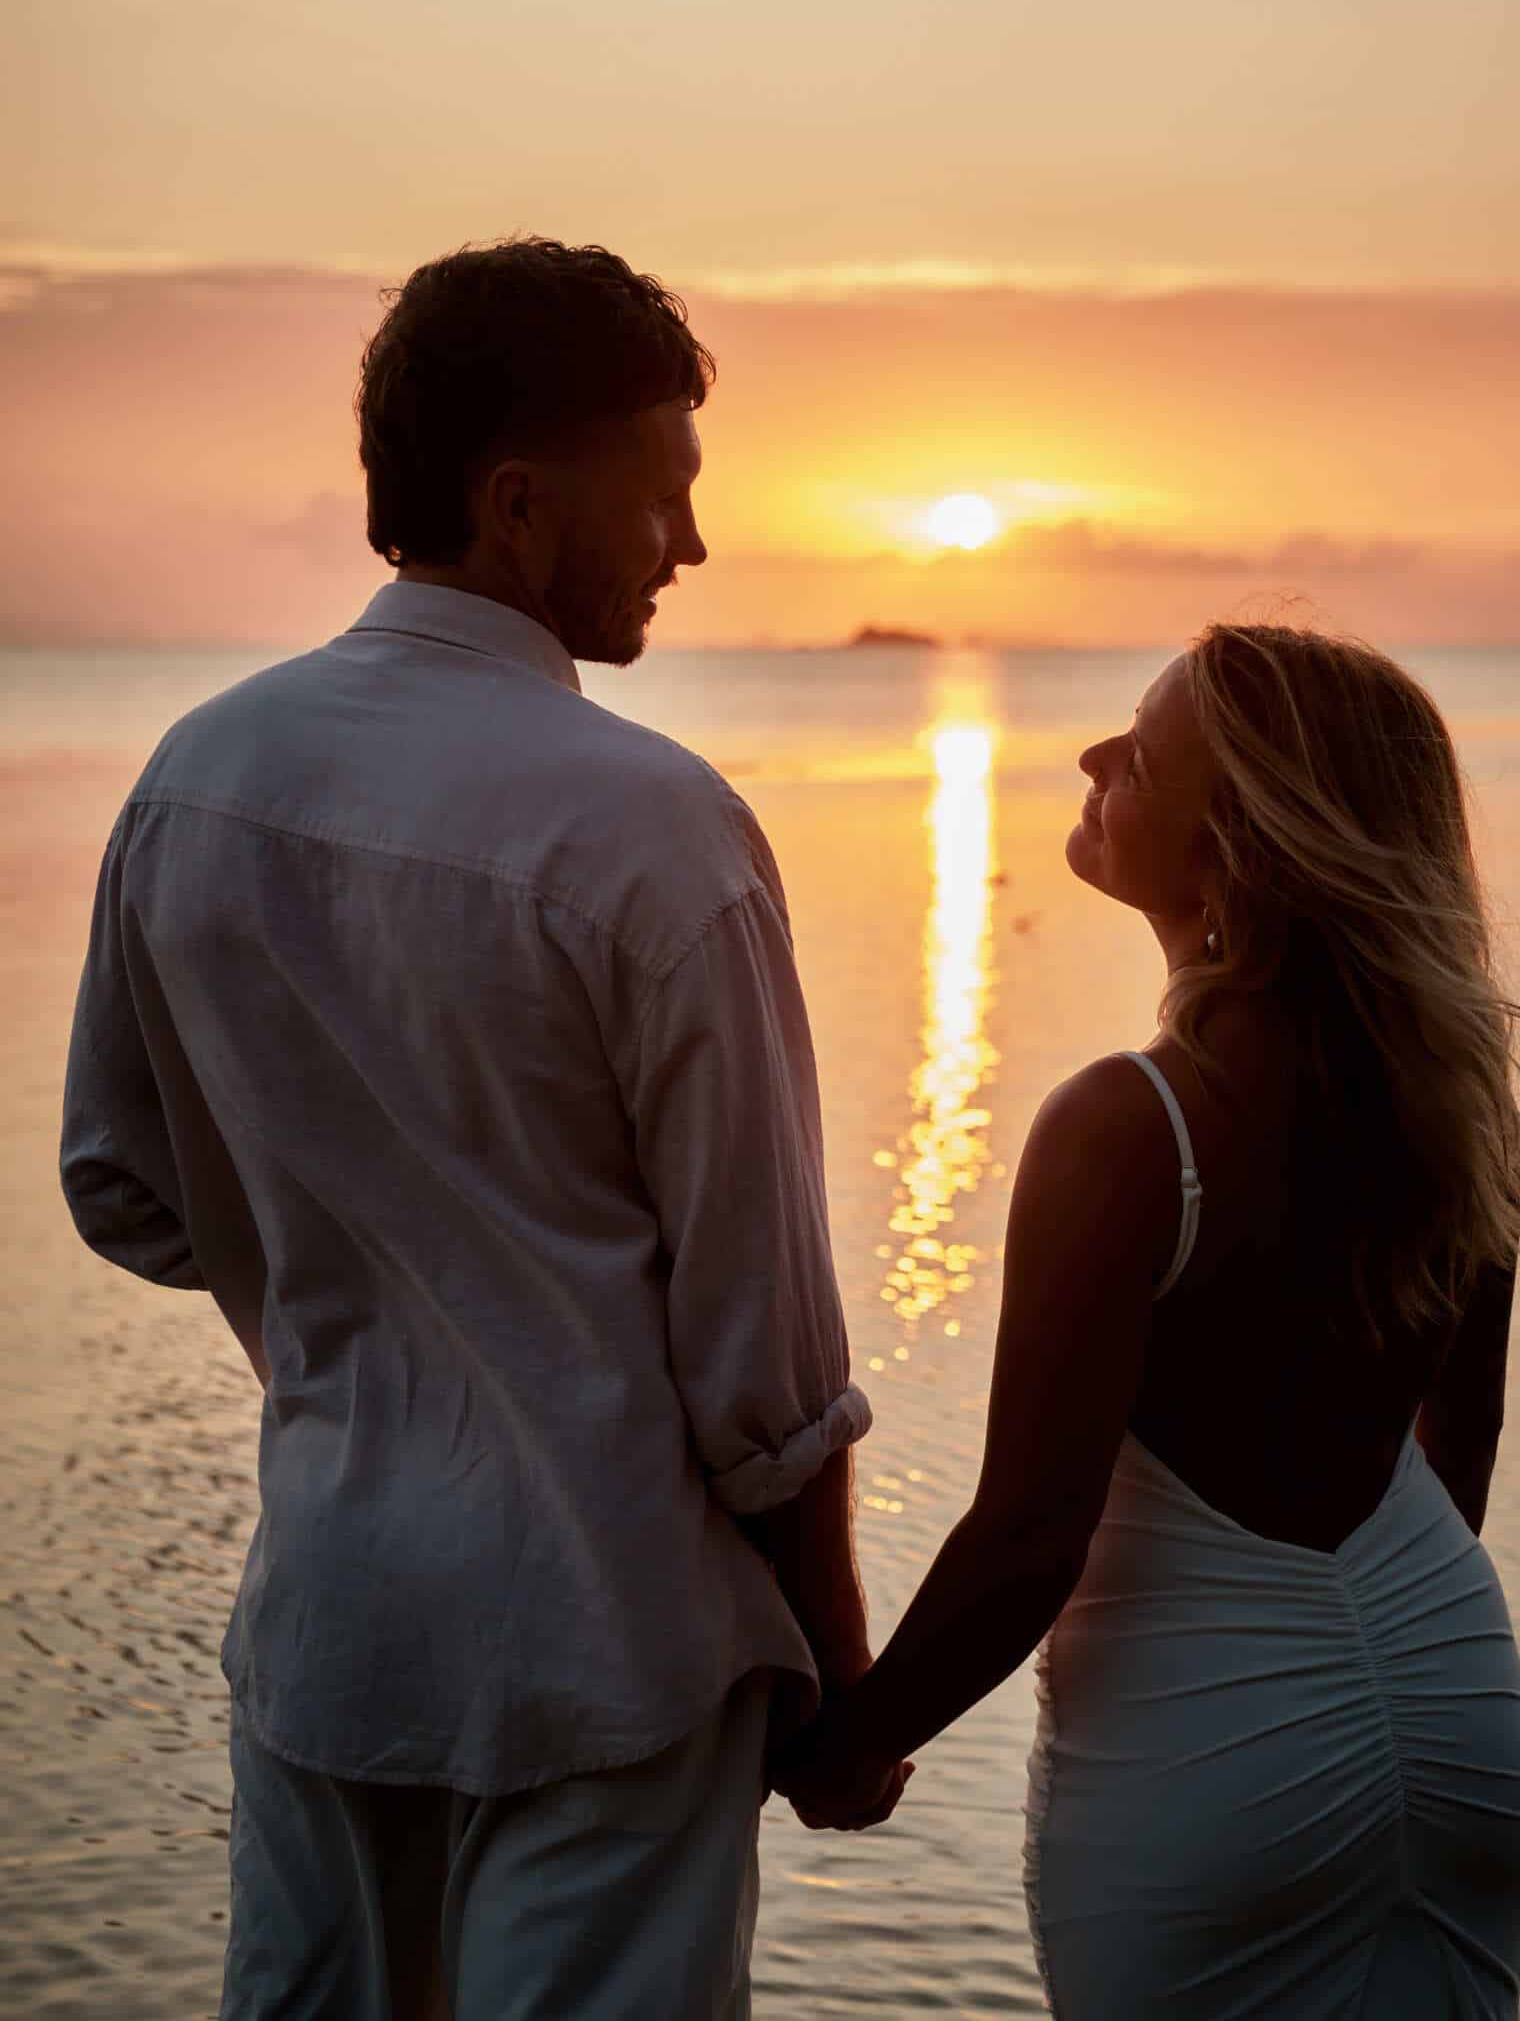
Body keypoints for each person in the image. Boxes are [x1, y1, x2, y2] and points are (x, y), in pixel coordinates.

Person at [60, 236, 904, 2021]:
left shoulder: (197, 775)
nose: (691, 544)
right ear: (518, 504)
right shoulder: (654, 832)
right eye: (664, 495)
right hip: (603, 1657)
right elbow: (761, 1368)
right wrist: (835, 1674)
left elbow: (123, 1186)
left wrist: (350, 1294)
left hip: (333, 1630)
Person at [778, 623, 1520, 2014]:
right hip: (1456, 1710)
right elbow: (1463, 1427)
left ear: (1237, 845)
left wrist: (850, 1745)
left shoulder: (1128, 1128)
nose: (1088, 759)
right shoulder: (1450, 1092)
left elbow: (1028, 1538)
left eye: (1134, 755)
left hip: (1209, 1753)